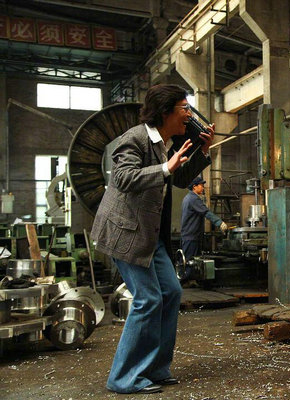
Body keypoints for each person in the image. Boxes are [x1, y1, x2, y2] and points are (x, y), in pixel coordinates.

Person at [90, 84, 215, 395]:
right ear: (165, 111)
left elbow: (180, 178)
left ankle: (156, 368)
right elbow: (123, 178)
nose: (189, 115)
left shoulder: (168, 143)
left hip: (151, 235)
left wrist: (202, 151)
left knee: (171, 292)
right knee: (148, 299)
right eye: (184, 108)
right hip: (125, 233)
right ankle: (123, 377)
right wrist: (165, 167)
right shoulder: (134, 139)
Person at [180, 176, 227, 262]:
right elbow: (206, 212)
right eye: (201, 185)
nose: (203, 188)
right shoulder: (193, 199)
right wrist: (220, 223)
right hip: (191, 238)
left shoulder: (188, 198)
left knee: (190, 262)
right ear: (194, 186)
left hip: (190, 237)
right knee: (190, 263)